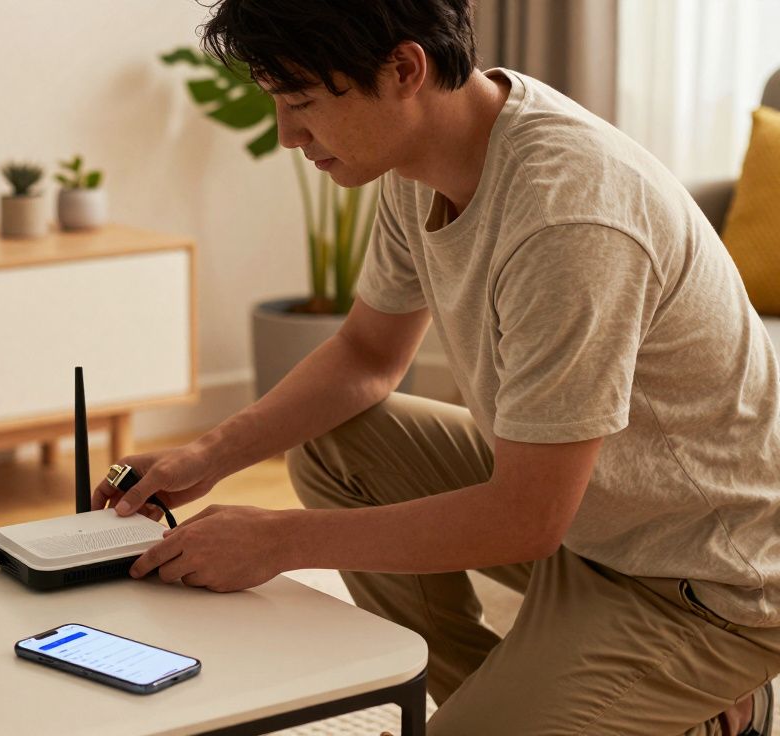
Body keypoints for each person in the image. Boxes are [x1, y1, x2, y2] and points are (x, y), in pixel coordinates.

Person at [94, 2, 780, 734]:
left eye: (301, 104)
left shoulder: (568, 219)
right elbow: (366, 356)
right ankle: (528, 691)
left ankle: (716, 712)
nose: (288, 135)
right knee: (341, 444)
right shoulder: (420, 162)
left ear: (404, 70)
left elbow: (525, 518)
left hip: (702, 583)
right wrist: (208, 452)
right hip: (590, 522)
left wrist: (280, 541)